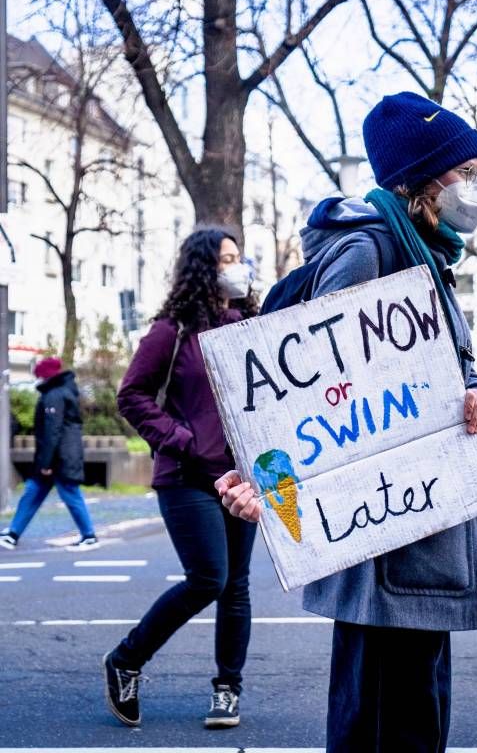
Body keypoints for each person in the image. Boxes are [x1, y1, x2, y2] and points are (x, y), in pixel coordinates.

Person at [216, 91, 477, 753]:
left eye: (476, 171)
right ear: (418, 181)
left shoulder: (426, 254)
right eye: (462, 172)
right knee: (385, 718)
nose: (475, 187)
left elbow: (457, 370)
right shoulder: (372, 251)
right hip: (385, 535)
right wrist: (265, 472)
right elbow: (314, 384)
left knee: (411, 710)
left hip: (419, 524)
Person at [101, 228, 258, 730]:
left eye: (237, 258)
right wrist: (183, 439)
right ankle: (126, 659)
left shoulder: (250, 324)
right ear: (200, 269)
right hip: (187, 476)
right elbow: (132, 396)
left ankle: (227, 690)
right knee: (209, 578)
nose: (234, 268)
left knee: (236, 586)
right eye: (223, 260)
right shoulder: (172, 331)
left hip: (241, 478)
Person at [0, 357, 98, 551]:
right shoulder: (63, 392)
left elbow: (52, 431)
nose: (37, 380)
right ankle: (13, 533)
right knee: (32, 493)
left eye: (39, 376)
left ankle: (89, 535)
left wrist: (45, 463)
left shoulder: (54, 396)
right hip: (61, 456)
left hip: (59, 458)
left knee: (69, 494)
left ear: (46, 376)